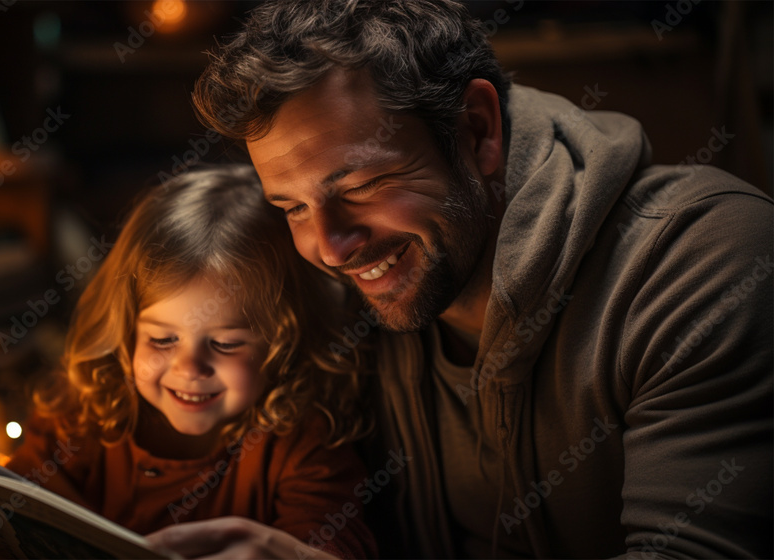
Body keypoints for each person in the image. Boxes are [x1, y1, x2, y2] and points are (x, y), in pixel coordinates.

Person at [146, 0, 774, 558]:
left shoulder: (705, 261)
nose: (330, 248)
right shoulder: (339, 302)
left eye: (364, 186)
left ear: (477, 129)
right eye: (292, 208)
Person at [7, 165, 377, 559]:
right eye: (162, 338)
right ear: (125, 331)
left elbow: (335, 543)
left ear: (284, 342)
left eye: (224, 343)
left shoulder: (304, 443)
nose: (188, 368)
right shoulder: (79, 416)